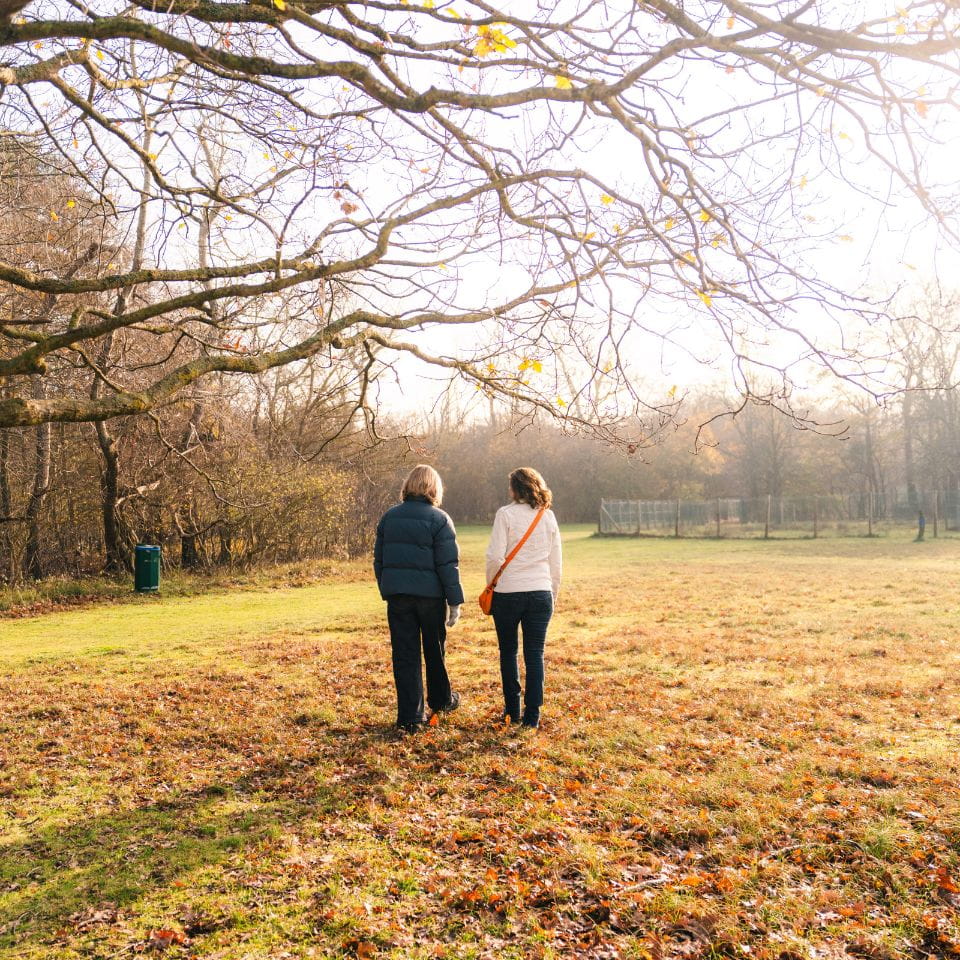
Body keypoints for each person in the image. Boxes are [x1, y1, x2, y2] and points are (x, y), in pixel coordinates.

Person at [374, 465, 464, 733]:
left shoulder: (389, 517)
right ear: (434, 488)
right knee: (435, 650)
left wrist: (387, 587)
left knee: (405, 655)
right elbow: (448, 565)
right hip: (430, 597)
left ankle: (411, 716)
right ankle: (441, 700)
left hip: (399, 597)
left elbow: (380, 560)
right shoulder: (440, 519)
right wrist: (454, 602)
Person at [485, 467, 562, 730]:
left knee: (508, 652)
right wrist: (553, 593)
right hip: (540, 592)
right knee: (535, 654)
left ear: (515, 489)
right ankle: (532, 715)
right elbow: (556, 562)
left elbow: (495, 556)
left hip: (508, 593)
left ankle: (512, 709)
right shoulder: (548, 517)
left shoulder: (505, 515)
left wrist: (491, 585)